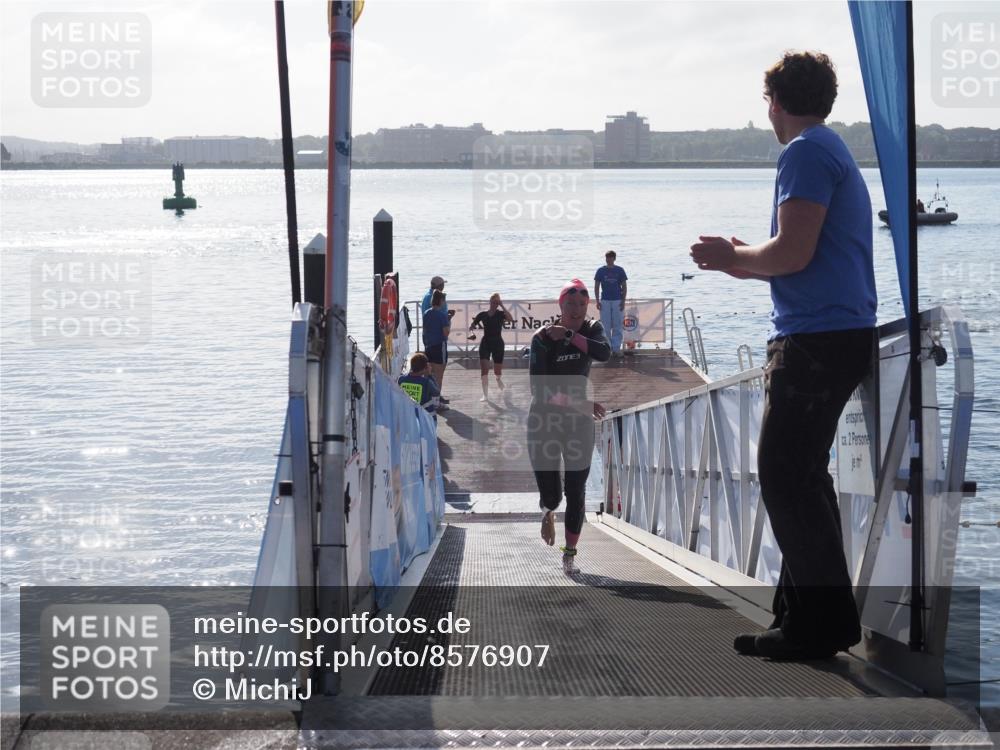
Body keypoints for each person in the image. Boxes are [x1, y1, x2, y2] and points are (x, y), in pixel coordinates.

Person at [690, 51, 877, 660]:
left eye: (766, 101)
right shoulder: (829, 148)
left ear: (776, 100)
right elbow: (799, 256)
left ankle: (821, 624)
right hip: (834, 334)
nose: (767, 112)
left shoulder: (804, 152)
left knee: (785, 475)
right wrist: (745, 258)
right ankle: (801, 616)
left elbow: (792, 254)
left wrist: (732, 257)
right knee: (801, 477)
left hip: (816, 342)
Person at [528, 279, 610, 574]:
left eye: (581, 305)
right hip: (544, 421)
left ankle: (569, 554)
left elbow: (604, 353)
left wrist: (571, 335)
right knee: (554, 495)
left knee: (576, 490)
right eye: (570, 305)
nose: (576, 310)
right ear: (560, 306)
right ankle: (548, 510)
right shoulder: (542, 338)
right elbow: (540, 391)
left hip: (578, 425)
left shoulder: (591, 330)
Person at [469, 293, 514, 401]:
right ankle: (485, 395)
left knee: (497, 371)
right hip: (486, 342)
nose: (495, 304)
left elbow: (511, 319)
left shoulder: (500, 314)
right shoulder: (483, 314)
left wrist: (502, 305)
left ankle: (498, 379)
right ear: (490, 302)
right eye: (493, 302)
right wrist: (471, 332)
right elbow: (472, 326)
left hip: (498, 343)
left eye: (497, 303)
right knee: (484, 369)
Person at [593, 251, 628, 357]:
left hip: (617, 300)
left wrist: (623, 301)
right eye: (607, 258)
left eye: (610, 258)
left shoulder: (620, 270)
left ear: (614, 258)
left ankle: (616, 349)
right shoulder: (600, 271)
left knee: (618, 325)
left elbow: (624, 286)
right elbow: (597, 286)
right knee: (605, 326)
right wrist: (597, 300)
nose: (608, 259)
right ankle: (607, 348)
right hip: (605, 300)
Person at [422, 290, 451, 407]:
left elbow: (425, 330)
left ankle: (431, 399)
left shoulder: (426, 313)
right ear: (440, 301)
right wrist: (448, 321)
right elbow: (446, 333)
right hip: (439, 346)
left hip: (429, 346)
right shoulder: (442, 315)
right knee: (439, 375)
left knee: (430, 373)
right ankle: (437, 401)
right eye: (444, 300)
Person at [397, 352, 441, 418]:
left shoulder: (401, 379)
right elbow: (436, 392)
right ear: (424, 368)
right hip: (425, 416)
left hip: (407, 415)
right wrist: (429, 375)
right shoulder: (426, 382)